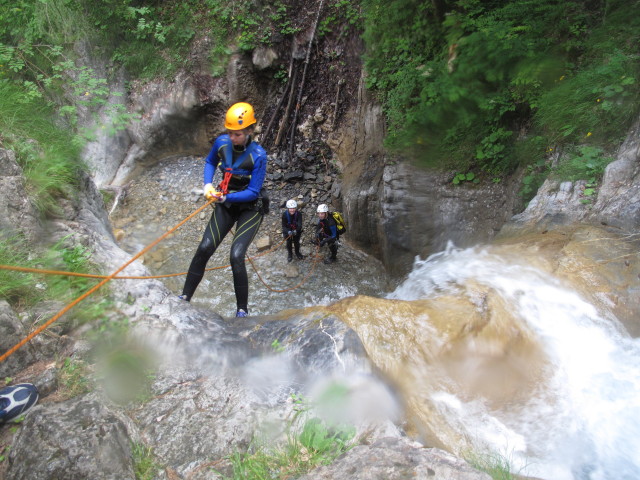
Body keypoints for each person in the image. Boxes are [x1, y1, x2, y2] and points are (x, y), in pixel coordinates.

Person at [178, 102, 268, 318]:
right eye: (230, 132)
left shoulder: (258, 155)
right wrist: (207, 185)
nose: (232, 137)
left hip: (250, 208)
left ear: (248, 131)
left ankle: (242, 311)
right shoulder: (221, 143)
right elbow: (210, 162)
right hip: (226, 202)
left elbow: (254, 191)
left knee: (236, 255)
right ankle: (184, 297)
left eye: (237, 134)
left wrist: (226, 196)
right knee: (205, 246)